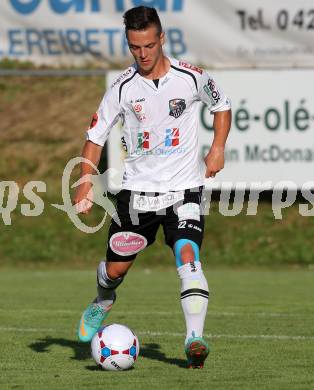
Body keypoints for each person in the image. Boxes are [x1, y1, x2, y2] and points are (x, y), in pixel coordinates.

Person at [74, 6, 231, 369]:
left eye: (147, 45)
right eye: (134, 47)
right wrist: (84, 183)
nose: (142, 54)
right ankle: (102, 299)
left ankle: (194, 338)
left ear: (162, 39)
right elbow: (94, 139)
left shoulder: (191, 77)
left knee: (188, 257)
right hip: (136, 196)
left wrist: (217, 147)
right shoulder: (123, 88)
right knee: (115, 271)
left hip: (184, 190)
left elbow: (221, 105)